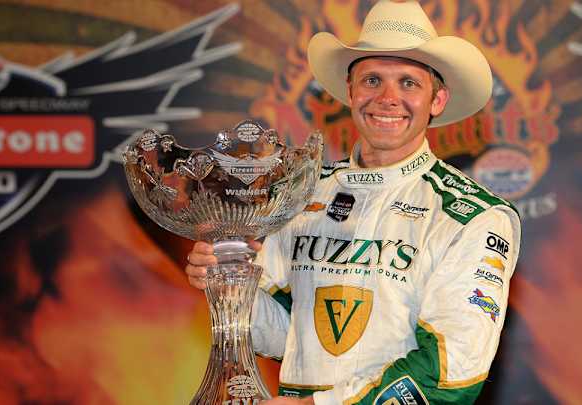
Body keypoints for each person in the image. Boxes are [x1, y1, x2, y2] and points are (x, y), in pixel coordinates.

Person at [186, 1, 521, 404]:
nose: (388, 98)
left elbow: (453, 371)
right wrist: (227, 280)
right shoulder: (298, 194)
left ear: (437, 100)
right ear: (350, 92)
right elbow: (287, 336)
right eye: (372, 80)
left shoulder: (474, 217)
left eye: (409, 83)